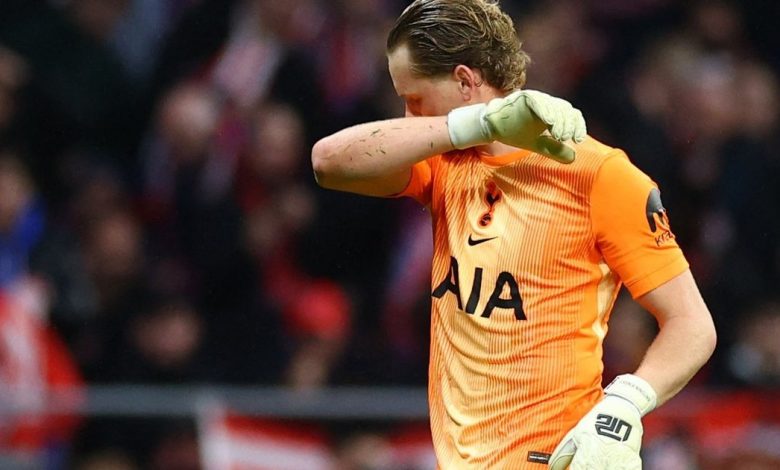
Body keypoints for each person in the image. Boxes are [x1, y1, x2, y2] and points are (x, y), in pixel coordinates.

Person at [311, 0, 717, 468]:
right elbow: (328, 162)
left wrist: (624, 404)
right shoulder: (443, 161)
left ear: (465, 82)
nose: (408, 116)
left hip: (554, 458)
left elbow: (692, 325)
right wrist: (477, 122)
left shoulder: (600, 175)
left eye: (415, 99)